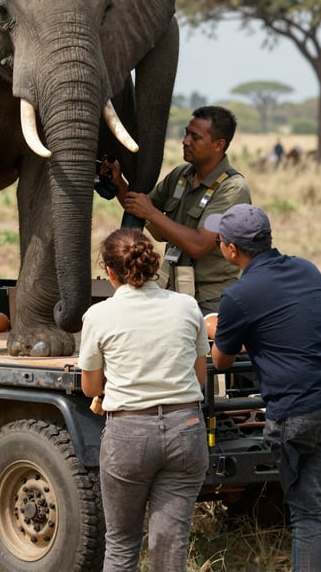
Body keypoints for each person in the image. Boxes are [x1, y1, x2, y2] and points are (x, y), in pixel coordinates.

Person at [204, 204, 321, 572]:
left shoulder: (238, 297)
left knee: (305, 508)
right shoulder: (307, 269)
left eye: (221, 241)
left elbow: (222, 361)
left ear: (230, 250)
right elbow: (295, 325)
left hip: (298, 412)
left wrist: (217, 327)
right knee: (314, 509)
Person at [78, 228, 209, 571]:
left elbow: (91, 388)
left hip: (129, 434)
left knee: (121, 545)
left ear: (108, 271)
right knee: (170, 547)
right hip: (186, 427)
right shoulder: (187, 307)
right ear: (154, 266)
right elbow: (199, 377)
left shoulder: (99, 315)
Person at [103, 105, 250, 314]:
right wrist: (119, 184)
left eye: (195, 137)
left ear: (219, 145)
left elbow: (199, 244)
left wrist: (152, 214)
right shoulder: (181, 175)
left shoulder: (232, 189)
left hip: (210, 302)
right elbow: (141, 209)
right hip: (172, 292)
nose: (185, 141)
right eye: (186, 133)